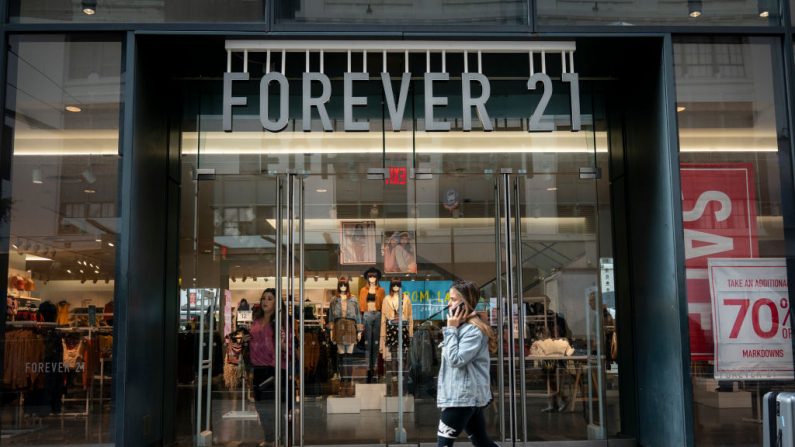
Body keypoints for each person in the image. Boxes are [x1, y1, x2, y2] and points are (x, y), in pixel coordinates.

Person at [436, 280, 500, 447]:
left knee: (443, 445)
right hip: (465, 397)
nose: (449, 303)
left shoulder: (473, 331)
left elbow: (455, 360)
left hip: (461, 399)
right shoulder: (463, 328)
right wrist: (454, 329)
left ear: (466, 302)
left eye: (453, 299)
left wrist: (451, 329)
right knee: (482, 442)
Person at [249, 288, 291, 447]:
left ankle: (279, 439)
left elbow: (289, 345)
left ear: (277, 303)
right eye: (263, 298)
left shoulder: (281, 322)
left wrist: (282, 345)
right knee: (260, 406)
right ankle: (269, 438)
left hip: (275, 368)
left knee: (275, 407)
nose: (265, 301)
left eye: (270, 299)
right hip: (258, 368)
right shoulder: (256, 320)